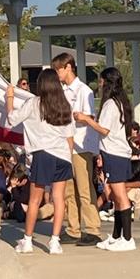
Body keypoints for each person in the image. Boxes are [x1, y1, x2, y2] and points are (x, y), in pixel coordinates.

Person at [6, 68, 74, 254]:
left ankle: (27, 240)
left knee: (35, 199)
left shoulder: (34, 103)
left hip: (42, 153)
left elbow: (12, 119)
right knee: (59, 198)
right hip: (63, 155)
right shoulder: (64, 105)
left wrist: (9, 99)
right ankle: (55, 241)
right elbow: (70, 135)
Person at [74, 67, 136, 252]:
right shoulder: (120, 102)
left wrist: (86, 119)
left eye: (101, 81)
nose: (99, 85)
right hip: (116, 152)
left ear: (107, 83)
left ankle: (127, 237)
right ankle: (117, 235)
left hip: (115, 152)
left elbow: (104, 130)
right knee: (116, 196)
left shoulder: (111, 104)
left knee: (120, 195)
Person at [51, 53, 101, 247]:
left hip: (81, 144)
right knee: (69, 189)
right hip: (65, 146)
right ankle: (73, 228)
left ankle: (93, 228)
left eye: (59, 69)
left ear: (69, 67)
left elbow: (87, 116)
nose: (58, 74)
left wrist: (74, 116)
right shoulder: (62, 91)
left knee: (84, 188)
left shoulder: (83, 90)